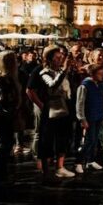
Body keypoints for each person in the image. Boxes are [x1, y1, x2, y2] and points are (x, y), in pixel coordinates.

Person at [37, 46, 75, 180]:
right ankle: (46, 171)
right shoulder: (44, 73)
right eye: (57, 57)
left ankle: (60, 167)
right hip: (52, 110)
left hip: (65, 109)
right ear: (49, 58)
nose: (61, 59)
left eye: (61, 57)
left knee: (63, 138)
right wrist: (64, 70)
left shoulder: (61, 71)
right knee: (47, 140)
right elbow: (52, 85)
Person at [0, 51, 22, 185]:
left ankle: (1, 171)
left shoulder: (2, 76)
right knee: (7, 142)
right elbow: (4, 97)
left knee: (7, 142)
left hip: (2, 112)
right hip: (2, 113)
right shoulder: (3, 77)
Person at [75, 64, 103, 173]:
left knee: (94, 140)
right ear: (92, 74)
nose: (101, 76)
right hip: (89, 117)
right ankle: (78, 162)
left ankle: (90, 160)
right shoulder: (84, 85)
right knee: (89, 140)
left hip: (98, 115)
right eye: (99, 74)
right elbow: (80, 103)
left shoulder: (100, 85)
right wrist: (82, 118)